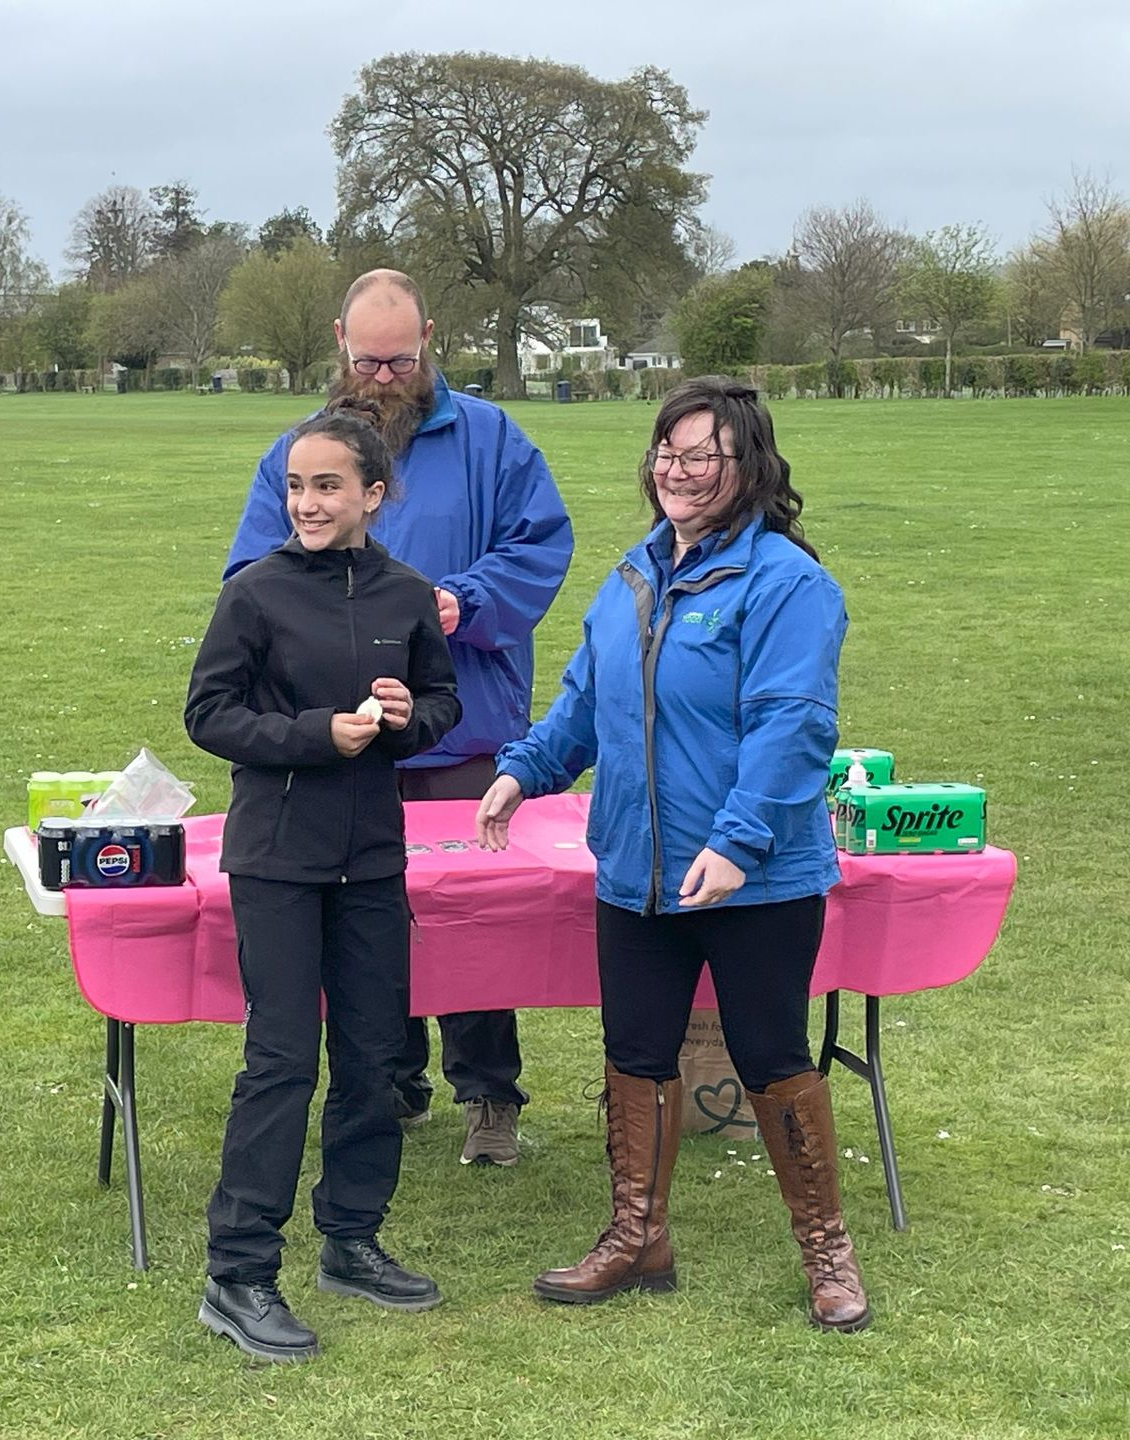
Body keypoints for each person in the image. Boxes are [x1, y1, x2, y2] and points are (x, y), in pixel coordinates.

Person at [475, 375, 871, 1332]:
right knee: (635, 1052)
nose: (679, 471)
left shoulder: (787, 583)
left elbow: (793, 726)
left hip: (755, 880)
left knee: (771, 1054)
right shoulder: (634, 576)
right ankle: (637, 1237)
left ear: (750, 466)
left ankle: (827, 1253)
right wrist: (525, 770)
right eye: (667, 451)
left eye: (703, 455)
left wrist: (738, 842)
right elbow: (585, 700)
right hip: (636, 870)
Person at [225, 269, 573, 1167]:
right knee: (364, 921)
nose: (383, 377)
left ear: (429, 339)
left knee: (477, 920)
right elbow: (249, 580)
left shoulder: (493, 440)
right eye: (369, 361)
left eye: (401, 361)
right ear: (340, 340)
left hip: (462, 731)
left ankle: (489, 1090)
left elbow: (542, 543)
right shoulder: (300, 455)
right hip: (340, 746)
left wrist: (466, 600)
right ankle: (388, 1076)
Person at [186, 400, 462, 1363]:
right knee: (282, 1061)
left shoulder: (407, 596)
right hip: (276, 860)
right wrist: (314, 735)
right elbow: (208, 714)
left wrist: (407, 717)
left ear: (373, 495)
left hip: (373, 860)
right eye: (296, 486)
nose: (307, 502)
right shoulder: (255, 594)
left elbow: (443, 702)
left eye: (327, 486)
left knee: (375, 1056)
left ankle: (351, 1239)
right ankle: (238, 1274)